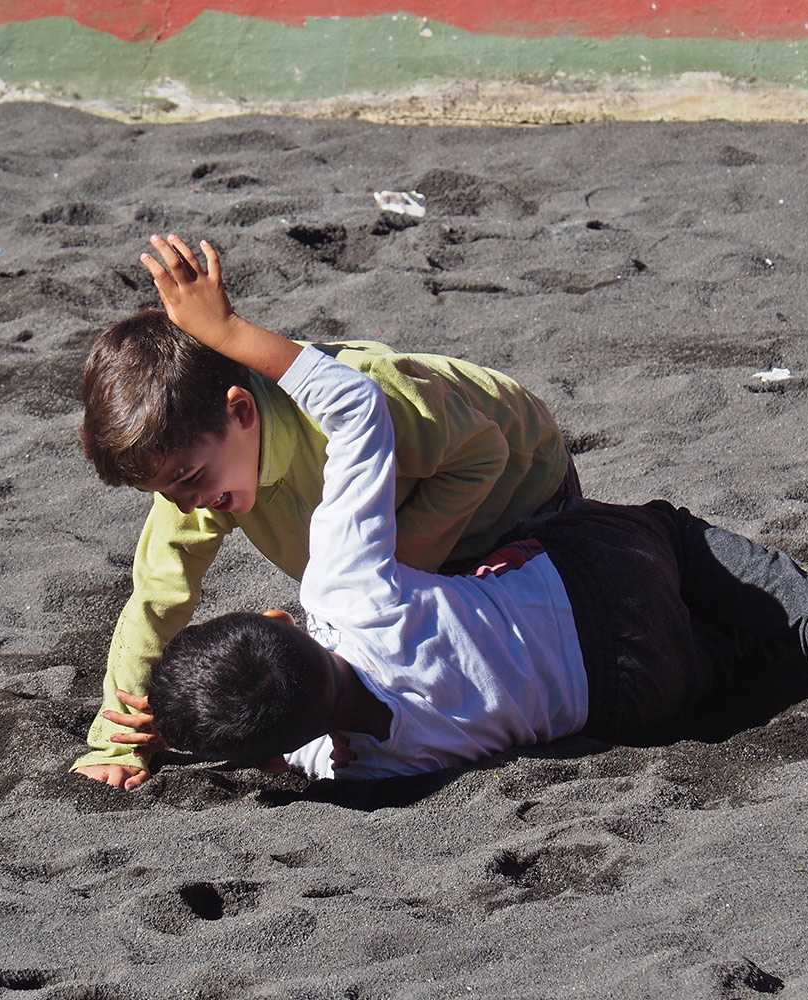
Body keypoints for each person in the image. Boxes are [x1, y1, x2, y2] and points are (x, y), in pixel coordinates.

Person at [125, 234, 808, 781]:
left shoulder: (365, 768)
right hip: (588, 583)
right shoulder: (348, 590)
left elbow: (297, 742)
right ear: (285, 624)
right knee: (675, 539)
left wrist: (178, 740)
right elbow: (355, 409)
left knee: (728, 654)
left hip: (626, 698)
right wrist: (230, 334)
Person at [72, 234, 579, 789]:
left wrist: (397, 567)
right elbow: (156, 596)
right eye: (164, 492)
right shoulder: (196, 471)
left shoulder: (364, 391)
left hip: (518, 504)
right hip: (410, 560)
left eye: (188, 481)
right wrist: (115, 743)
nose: (186, 502)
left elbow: (483, 455)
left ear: (240, 411)